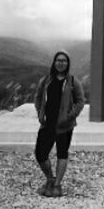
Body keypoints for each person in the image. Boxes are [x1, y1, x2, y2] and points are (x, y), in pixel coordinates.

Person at [33, 51, 85, 198]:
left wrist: (70, 116)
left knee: (62, 153)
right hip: (47, 123)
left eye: (64, 61)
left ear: (68, 63)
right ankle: (50, 178)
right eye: (58, 60)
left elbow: (80, 101)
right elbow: (37, 97)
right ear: (54, 62)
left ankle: (57, 185)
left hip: (65, 125)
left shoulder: (73, 81)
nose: (61, 63)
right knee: (40, 154)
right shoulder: (45, 81)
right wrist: (39, 113)